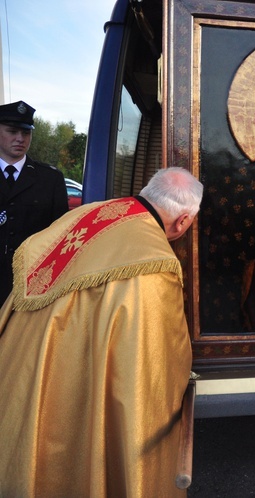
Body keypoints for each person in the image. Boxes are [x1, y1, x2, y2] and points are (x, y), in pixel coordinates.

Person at [0, 167, 203, 497]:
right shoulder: (154, 262)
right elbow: (152, 362)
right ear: (182, 222)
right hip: (68, 382)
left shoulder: (89, 213)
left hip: (17, 368)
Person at [0, 100, 68, 304]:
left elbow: (59, 237)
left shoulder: (50, 179)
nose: (20, 138)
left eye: (26, 133)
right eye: (12, 131)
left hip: (30, 288)